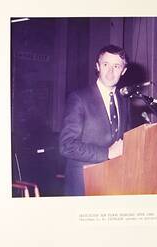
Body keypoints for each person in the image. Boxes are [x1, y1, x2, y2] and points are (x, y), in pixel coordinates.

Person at [59, 45, 132, 196]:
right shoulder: (79, 98)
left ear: (123, 71)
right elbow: (66, 145)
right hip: (84, 183)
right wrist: (107, 153)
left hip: (115, 181)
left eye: (116, 66)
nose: (110, 72)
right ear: (97, 66)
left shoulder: (125, 101)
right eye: (106, 65)